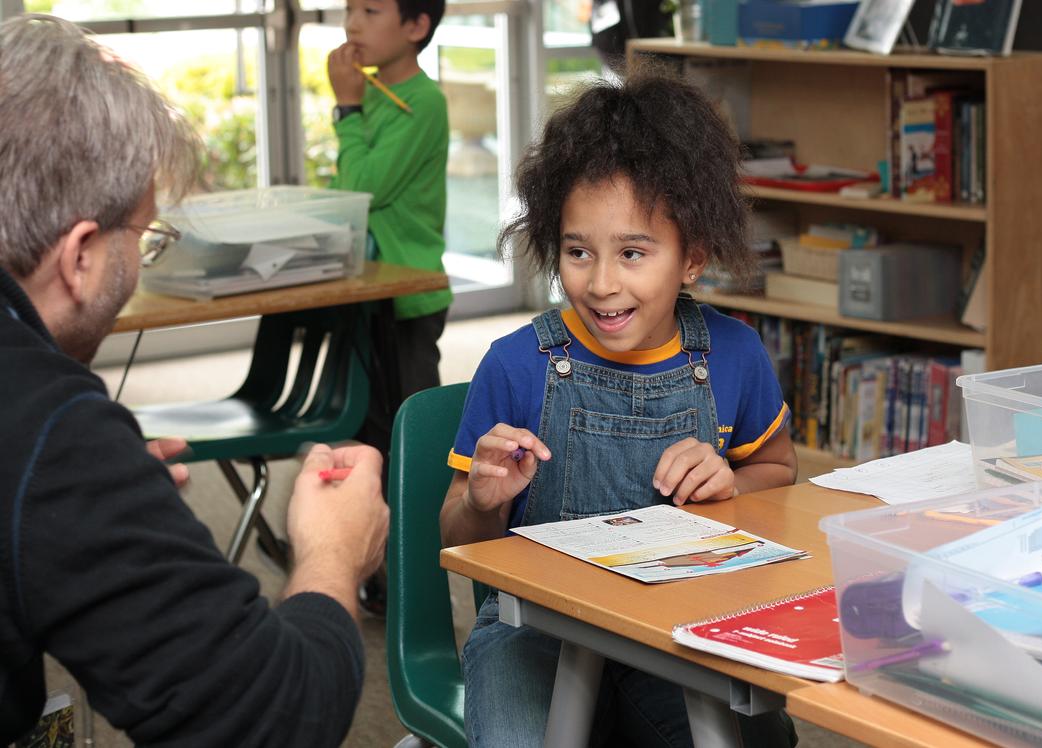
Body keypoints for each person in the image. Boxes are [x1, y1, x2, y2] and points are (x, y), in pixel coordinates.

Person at [0, 15, 389, 746]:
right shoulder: (49, 434)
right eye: (146, 237)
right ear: (81, 255)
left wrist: (73, 521)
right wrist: (333, 554)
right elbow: (276, 717)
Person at [439, 67, 800, 746]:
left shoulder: (735, 355)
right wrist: (483, 501)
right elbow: (457, 539)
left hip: (674, 631)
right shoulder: (517, 365)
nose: (601, 284)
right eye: (578, 252)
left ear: (692, 255)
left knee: (757, 738)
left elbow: (781, 473)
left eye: (633, 253)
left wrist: (734, 482)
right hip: (532, 635)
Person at [327, 0, 450, 615]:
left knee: (409, 441)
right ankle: (373, 571)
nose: (352, 24)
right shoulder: (376, 94)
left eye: (370, 10)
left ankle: (415, 584)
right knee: (364, 431)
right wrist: (354, 107)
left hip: (408, 296)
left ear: (415, 27)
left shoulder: (423, 102)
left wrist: (346, 109)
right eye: (349, 10)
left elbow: (360, 189)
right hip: (367, 292)